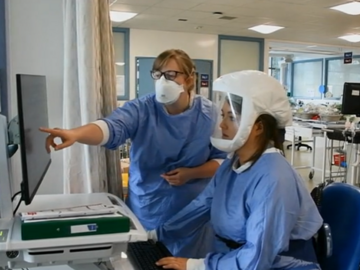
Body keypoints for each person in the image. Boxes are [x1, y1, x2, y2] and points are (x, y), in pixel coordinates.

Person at [40, 49, 226, 258]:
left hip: (191, 217)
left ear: (190, 79)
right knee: (145, 260)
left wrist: (192, 173)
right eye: (158, 74)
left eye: (171, 75)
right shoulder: (142, 109)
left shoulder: (210, 114)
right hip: (147, 209)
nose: (163, 81)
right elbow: (112, 127)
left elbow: (222, 160)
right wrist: (75, 133)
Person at [152, 70, 323, 270]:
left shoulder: (274, 178)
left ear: (258, 126)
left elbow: (259, 257)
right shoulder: (232, 163)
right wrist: (156, 235)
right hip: (233, 260)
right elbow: (202, 205)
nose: (222, 124)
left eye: (231, 117)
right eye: (223, 115)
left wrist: (197, 266)